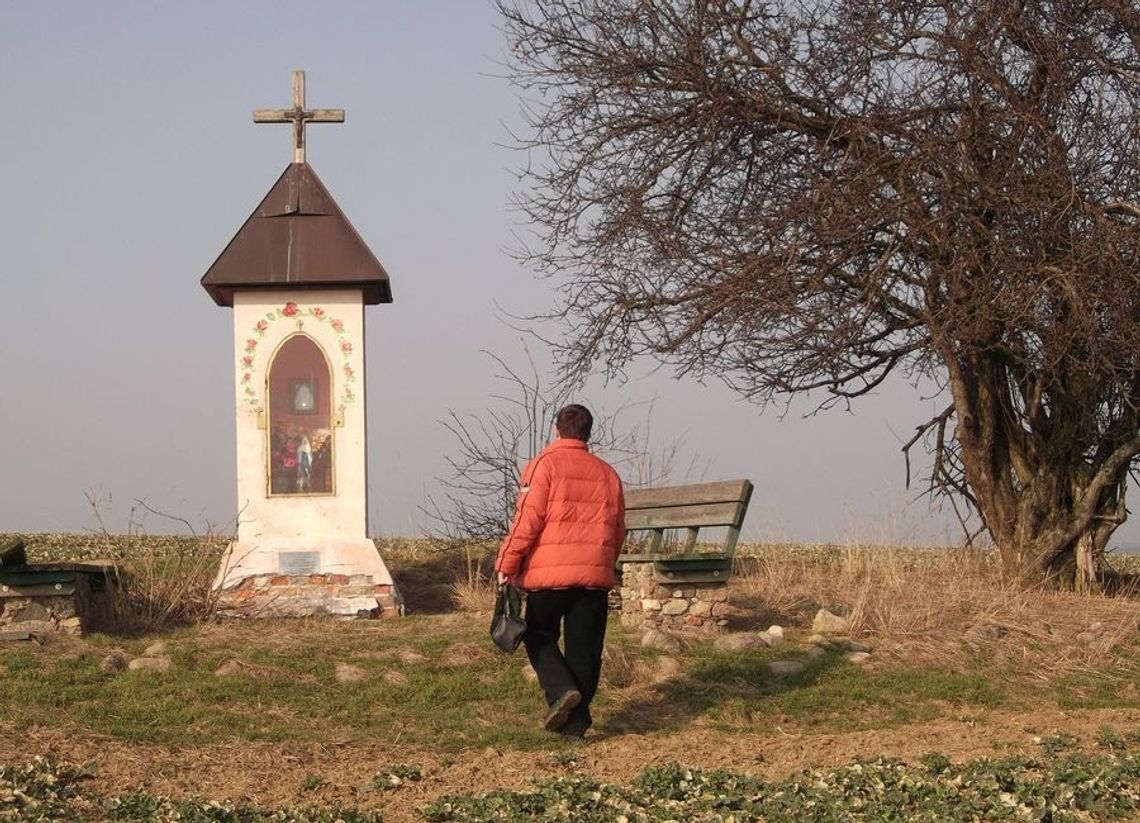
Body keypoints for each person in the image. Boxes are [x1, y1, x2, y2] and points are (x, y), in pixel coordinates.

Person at [495, 404, 626, 738]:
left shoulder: (544, 465)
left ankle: (561, 688)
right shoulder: (608, 473)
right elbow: (618, 530)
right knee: (585, 649)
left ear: (557, 430)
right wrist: (604, 563)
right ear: (588, 433)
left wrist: (507, 563)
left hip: (549, 578)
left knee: (538, 634)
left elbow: (527, 520)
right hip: (594, 580)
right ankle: (575, 726)